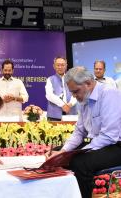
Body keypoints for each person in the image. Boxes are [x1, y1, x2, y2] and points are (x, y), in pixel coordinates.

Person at [46, 66, 121, 198]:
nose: (74, 96)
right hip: (99, 143)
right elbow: (79, 131)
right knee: (58, 153)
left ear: (88, 83)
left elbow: (109, 135)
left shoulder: (109, 93)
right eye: (72, 93)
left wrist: (78, 152)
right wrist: (63, 152)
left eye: (76, 92)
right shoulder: (84, 97)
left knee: (80, 163)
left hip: (116, 145)